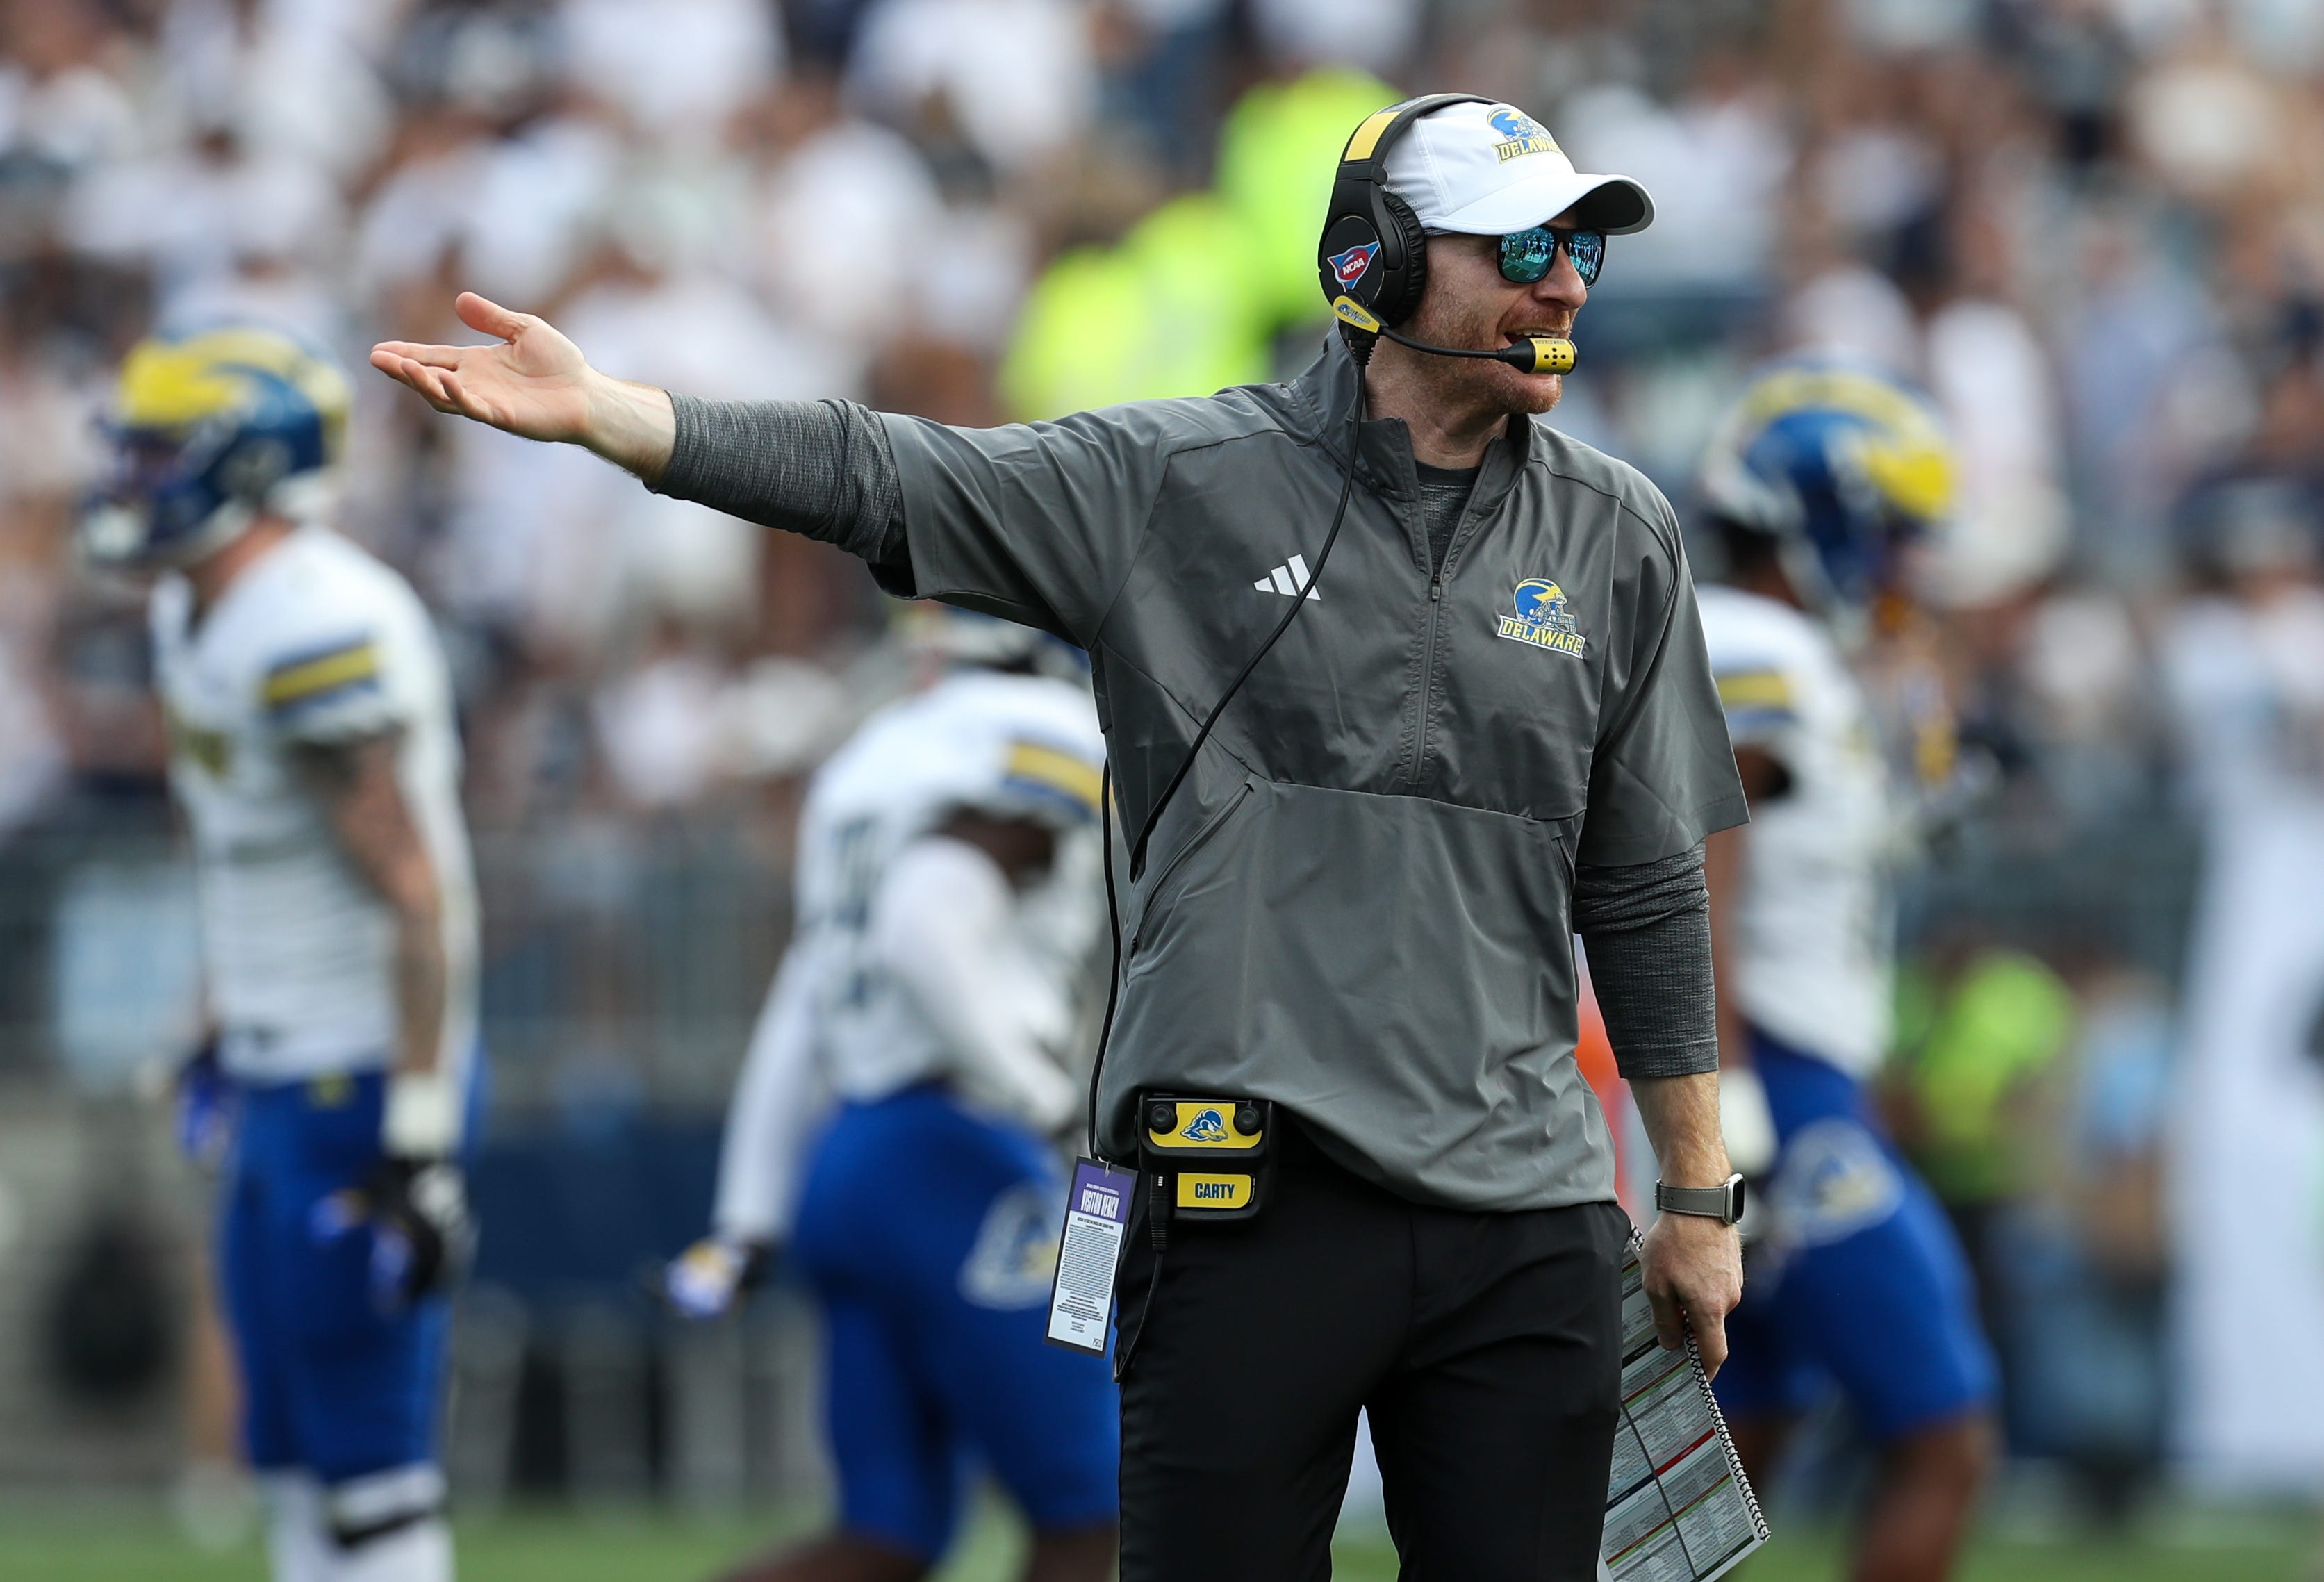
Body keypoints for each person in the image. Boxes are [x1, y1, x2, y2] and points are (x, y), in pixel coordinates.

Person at [374, 93, 1749, 1582]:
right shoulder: (1178, 482)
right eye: (1525, 245)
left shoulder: (1620, 534)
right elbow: (889, 472)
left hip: (1523, 1207)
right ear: (1378, 262)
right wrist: (620, 417)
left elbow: (1644, 883)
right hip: (1242, 1191)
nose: (1562, 286)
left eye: (1580, 254)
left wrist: (1690, 1192)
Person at [88, 324, 480, 1582]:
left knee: (373, 1470)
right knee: (293, 1458)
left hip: (357, 1070)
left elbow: (412, 893)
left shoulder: (309, 622)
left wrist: (416, 1135)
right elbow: (247, 851)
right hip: (279, 1064)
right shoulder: (197, 609)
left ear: (246, 467)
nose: (134, 480)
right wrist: (217, 1016)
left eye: (160, 455)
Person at [662, 606, 1119, 1582]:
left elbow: (803, 997)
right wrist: (1044, 1103)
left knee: (885, 1536)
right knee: (1096, 1509)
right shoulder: (1044, 728)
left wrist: (749, 1216)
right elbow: (922, 925)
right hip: (985, 1155)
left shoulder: (871, 757)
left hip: (855, 1154)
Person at [1692, 357, 1999, 1582]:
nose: (1903, 569)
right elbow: (1688, 860)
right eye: (1889, 536)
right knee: (1942, 1431)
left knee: (1725, 1457)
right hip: (1777, 1084)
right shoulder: (1756, 642)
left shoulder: (1792, 654)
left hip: (1782, 1071)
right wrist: (1720, 1094)